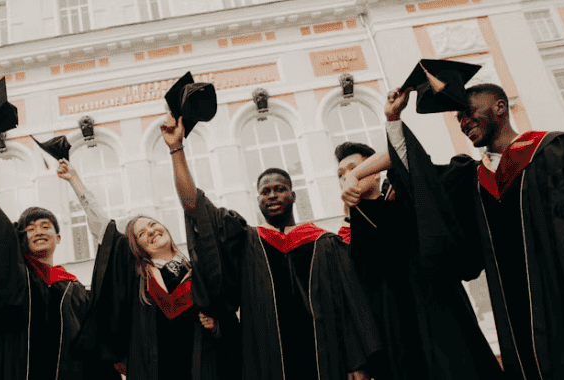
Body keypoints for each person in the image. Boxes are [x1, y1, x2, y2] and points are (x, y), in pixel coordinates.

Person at [343, 83, 564, 380]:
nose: (463, 123)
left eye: (468, 113)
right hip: (513, 313)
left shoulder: (554, 150)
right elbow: (422, 179)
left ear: (499, 106)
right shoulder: (471, 178)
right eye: (458, 118)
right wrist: (393, 121)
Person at [160, 115, 382, 380]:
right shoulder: (245, 241)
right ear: (258, 201)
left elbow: (349, 305)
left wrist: (356, 362)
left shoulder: (326, 243)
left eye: (280, 189)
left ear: (293, 196)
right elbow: (195, 207)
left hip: (328, 359)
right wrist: (176, 149)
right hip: (266, 361)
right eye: (265, 192)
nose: (273, 195)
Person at [58, 158, 241, 380]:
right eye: (142, 234)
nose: (151, 231)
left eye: (153, 224)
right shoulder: (138, 278)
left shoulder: (198, 272)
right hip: (153, 368)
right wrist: (75, 181)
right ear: (137, 248)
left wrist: (216, 326)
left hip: (200, 366)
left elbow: (228, 318)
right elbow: (104, 229)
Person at [335, 141, 503, 380]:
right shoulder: (346, 236)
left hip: (441, 317)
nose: (346, 178)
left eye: (354, 168)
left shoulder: (407, 198)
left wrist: (355, 175)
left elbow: (402, 153)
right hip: (397, 337)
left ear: (375, 173)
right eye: (340, 175)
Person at [0, 127, 118, 380]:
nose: (38, 231)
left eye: (46, 226)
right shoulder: (15, 276)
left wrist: (75, 181)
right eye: (29, 228)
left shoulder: (75, 289)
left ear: (58, 238)